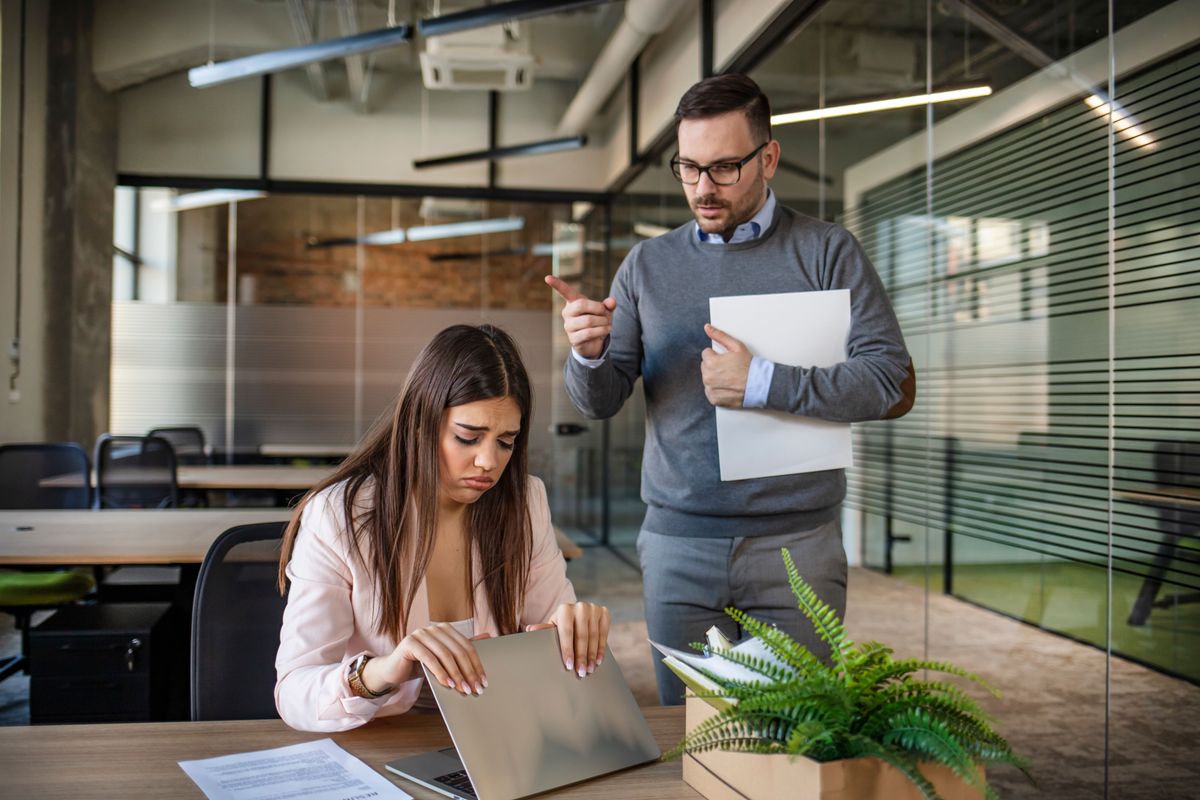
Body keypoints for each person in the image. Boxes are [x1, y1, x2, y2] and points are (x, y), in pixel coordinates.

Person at [546, 74, 915, 705]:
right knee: (691, 735)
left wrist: (763, 382)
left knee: (796, 739)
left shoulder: (828, 251)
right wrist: (589, 353)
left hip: (799, 545)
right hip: (677, 543)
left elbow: (891, 383)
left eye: (724, 168)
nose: (702, 189)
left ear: (768, 157)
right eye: (688, 168)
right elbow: (602, 400)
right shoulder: (647, 265)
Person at [275, 324, 610, 732]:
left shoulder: (524, 501)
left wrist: (574, 637)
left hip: (498, 733)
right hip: (381, 737)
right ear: (421, 422)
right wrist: (385, 671)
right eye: (468, 437)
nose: (488, 461)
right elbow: (294, 693)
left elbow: (556, 646)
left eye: (506, 442)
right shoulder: (340, 515)